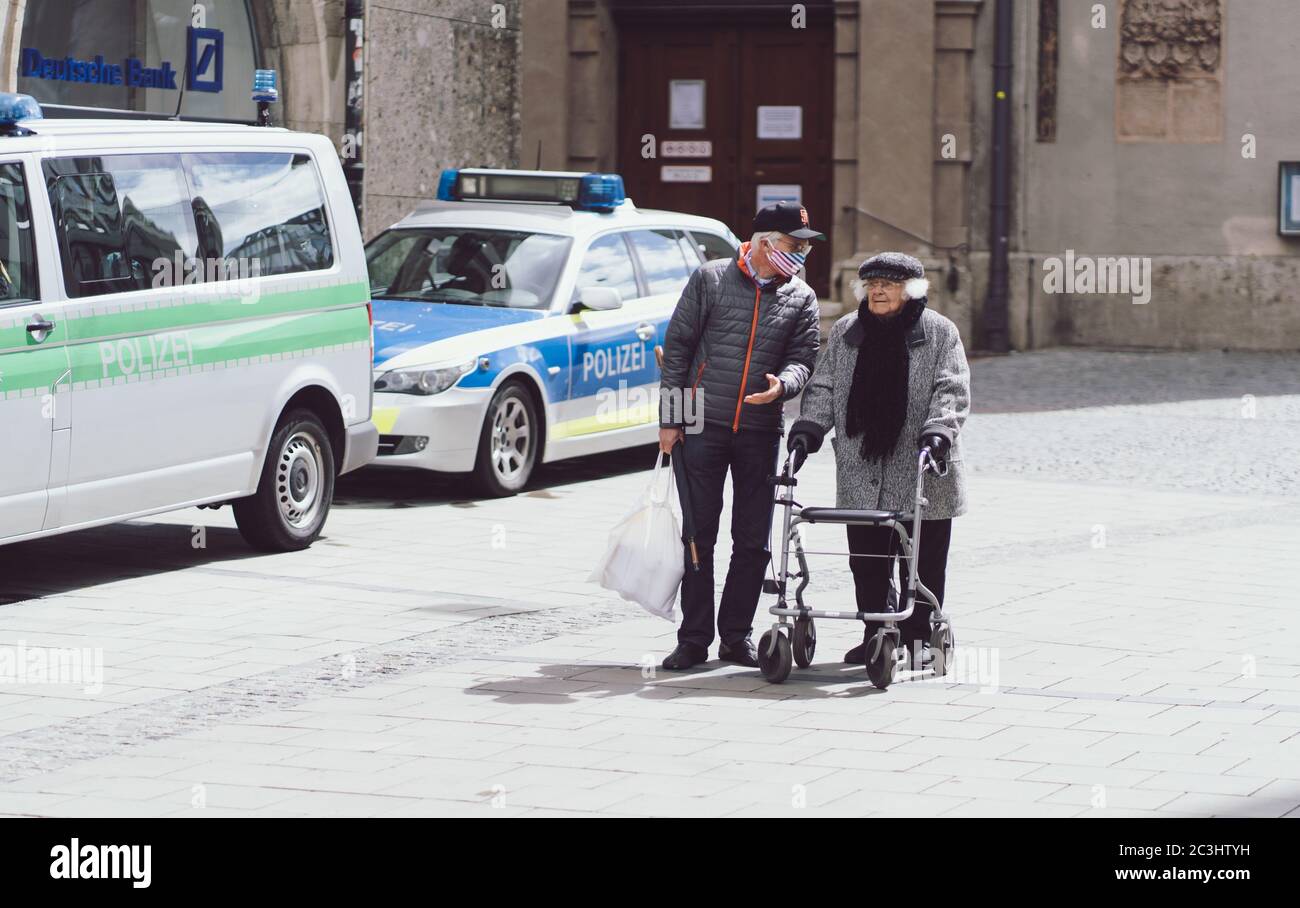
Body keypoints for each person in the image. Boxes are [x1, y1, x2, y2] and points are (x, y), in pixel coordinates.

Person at [657, 202, 823, 670]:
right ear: (766, 242)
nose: (803, 253)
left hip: (759, 430)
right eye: (796, 244)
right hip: (701, 426)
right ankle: (692, 640)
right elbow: (678, 351)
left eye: (806, 245)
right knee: (698, 535)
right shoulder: (710, 279)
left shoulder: (801, 297)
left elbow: (803, 358)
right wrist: (671, 421)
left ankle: (736, 636)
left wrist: (783, 386)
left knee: (753, 540)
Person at [788, 252, 970, 668]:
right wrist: (809, 428)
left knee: (921, 561)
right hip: (861, 466)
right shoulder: (850, 331)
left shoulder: (940, 332)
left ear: (912, 290)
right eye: (871, 285)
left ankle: (920, 635)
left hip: (922, 464)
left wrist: (940, 429)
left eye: (887, 285)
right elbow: (825, 386)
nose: (878, 291)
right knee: (867, 559)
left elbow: (952, 388)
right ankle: (877, 632)